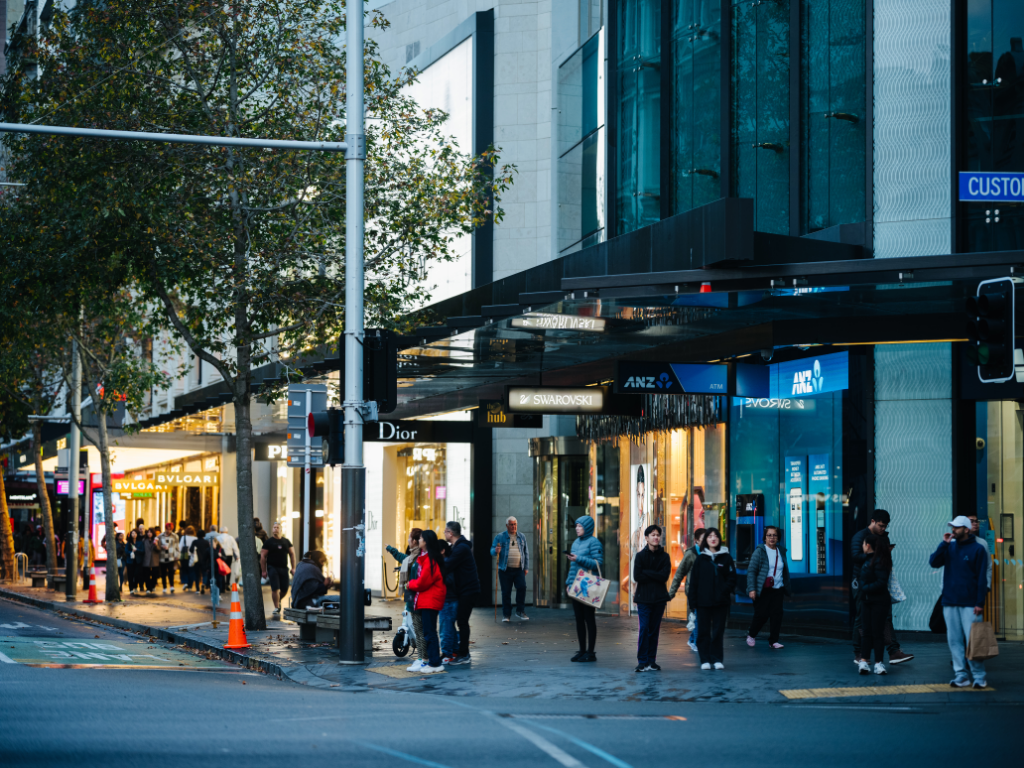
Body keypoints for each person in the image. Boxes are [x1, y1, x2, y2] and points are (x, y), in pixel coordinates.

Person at [929, 515, 990, 689]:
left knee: (974, 640)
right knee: (954, 639)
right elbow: (933, 562)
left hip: (970, 603)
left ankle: (979, 675)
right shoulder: (949, 547)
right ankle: (961, 675)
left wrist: (980, 602)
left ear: (966, 529)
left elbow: (981, 578)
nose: (953, 530)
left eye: (956, 527)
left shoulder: (978, 549)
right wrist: (944, 544)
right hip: (949, 601)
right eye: (952, 527)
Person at [851, 509, 913, 665]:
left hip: (880, 581)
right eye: (880, 525)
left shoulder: (884, 538)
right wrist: (878, 553)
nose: (883, 529)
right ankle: (859, 654)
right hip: (862, 582)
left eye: (885, 526)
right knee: (861, 618)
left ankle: (893, 652)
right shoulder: (860, 536)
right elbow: (855, 556)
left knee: (885, 617)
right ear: (872, 521)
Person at [687, 527, 736, 670]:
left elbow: (732, 578)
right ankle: (705, 660)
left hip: (721, 602)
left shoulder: (726, 558)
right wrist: (693, 603)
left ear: (719, 539)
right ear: (706, 540)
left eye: (715, 536)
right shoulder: (701, 559)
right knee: (703, 631)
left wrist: (723, 590)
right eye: (710, 536)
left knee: (718, 631)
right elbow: (693, 582)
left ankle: (717, 659)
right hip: (703, 602)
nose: (713, 538)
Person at [406, 529, 447, 674]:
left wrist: (409, 584)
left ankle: (435, 663)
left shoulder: (430, 560)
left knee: (429, 633)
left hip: (430, 600)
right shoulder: (427, 558)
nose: (419, 540)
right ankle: (432, 662)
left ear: (426, 542)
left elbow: (423, 582)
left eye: (421, 538)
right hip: (427, 600)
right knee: (428, 632)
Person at [745, 526, 791, 650]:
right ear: (764, 537)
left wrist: (786, 585)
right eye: (769, 535)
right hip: (763, 588)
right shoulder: (760, 551)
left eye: (774, 535)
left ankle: (773, 641)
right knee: (762, 614)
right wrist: (752, 589)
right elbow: (751, 571)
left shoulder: (781, 551)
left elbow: (784, 570)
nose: (772, 538)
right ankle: (751, 634)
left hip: (778, 588)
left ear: (778, 537)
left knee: (777, 615)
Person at [633, 524, 671, 672]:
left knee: (654, 630)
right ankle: (642, 661)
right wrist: (655, 574)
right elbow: (637, 576)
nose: (656, 537)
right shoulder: (640, 556)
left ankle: (651, 660)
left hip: (659, 598)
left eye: (658, 535)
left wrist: (647, 573)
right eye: (653, 535)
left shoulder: (665, 556)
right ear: (647, 538)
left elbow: (664, 576)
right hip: (643, 598)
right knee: (644, 629)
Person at [443, 521, 480, 665]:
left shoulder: (461, 548)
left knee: (462, 621)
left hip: (468, 591)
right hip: (465, 590)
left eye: (445, 531)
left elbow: (448, 565)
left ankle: (464, 654)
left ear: (450, 533)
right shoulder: (457, 547)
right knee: (461, 621)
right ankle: (460, 651)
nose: (444, 534)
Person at [386, 529, 425, 669]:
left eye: (409, 538)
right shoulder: (413, 556)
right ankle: (420, 654)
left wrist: (392, 550)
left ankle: (422, 657)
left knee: (418, 625)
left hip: (415, 593)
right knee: (409, 615)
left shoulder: (419, 556)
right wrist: (391, 550)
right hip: (410, 592)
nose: (408, 540)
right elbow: (404, 559)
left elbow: (406, 561)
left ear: (415, 541)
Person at [567, 515, 603, 663]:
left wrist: (578, 559)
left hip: (588, 586)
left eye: (580, 526)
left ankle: (591, 652)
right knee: (579, 620)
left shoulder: (594, 542)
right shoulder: (575, 542)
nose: (577, 528)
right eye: (576, 526)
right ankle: (582, 650)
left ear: (587, 528)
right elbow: (573, 567)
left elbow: (598, 563)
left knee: (589, 619)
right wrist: (568, 583)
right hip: (575, 585)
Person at [857, 532, 893, 675]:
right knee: (867, 632)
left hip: (878, 601)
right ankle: (864, 661)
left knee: (877, 633)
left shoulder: (879, 560)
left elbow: (881, 581)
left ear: (868, 545)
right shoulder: (868, 559)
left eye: (863, 544)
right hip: (867, 601)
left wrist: (864, 588)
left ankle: (878, 663)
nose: (862, 546)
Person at [668, 527, 705, 652]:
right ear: (696, 541)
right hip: (693, 592)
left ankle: (693, 639)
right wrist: (672, 593)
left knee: (701, 618)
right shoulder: (690, 554)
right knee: (698, 617)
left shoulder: (710, 553)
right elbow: (679, 573)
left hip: (707, 592)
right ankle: (696, 642)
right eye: (703, 539)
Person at [490, 516, 530, 622]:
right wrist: (495, 550)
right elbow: (492, 550)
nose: (513, 526)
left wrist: (526, 567)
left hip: (518, 569)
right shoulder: (500, 537)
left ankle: (520, 610)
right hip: (505, 569)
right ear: (507, 526)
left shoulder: (522, 536)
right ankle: (506, 614)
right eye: (511, 524)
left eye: (515, 524)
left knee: (522, 587)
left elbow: (526, 553)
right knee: (506, 592)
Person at [260, 522, 295, 618]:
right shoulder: (269, 542)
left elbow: (292, 554)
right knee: (275, 588)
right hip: (272, 567)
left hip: (284, 568)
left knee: (284, 589)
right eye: (274, 527)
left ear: (281, 529)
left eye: (277, 527)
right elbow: (263, 556)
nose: (275, 529)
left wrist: (293, 568)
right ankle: (276, 607)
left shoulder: (286, 541)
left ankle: (278, 600)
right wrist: (264, 570)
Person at [438, 539, 460, 663]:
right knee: (449, 626)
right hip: (450, 599)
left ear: (442, 551)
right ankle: (454, 651)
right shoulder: (447, 562)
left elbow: (449, 581)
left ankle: (447, 653)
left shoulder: (445, 563)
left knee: (445, 627)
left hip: (448, 599)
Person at [967, 514, 993, 590]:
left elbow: (988, 565)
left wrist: (987, 585)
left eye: (976, 521)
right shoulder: (955, 543)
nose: (975, 523)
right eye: (971, 521)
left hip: (978, 586)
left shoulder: (983, 543)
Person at [158, 523, 179, 595]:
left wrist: (177, 555)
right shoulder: (160, 536)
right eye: (167, 528)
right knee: (163, 573)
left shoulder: (175, 536)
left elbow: (177, 546)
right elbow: (157, 545)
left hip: (171, 557)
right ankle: (164, 587)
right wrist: (161, 546)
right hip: (162, 557)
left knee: (171, 572)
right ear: (165, 528)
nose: (169, 530)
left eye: (170, 529)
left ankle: (171, 586)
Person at [189, 530, 212, 595]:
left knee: (197, 575)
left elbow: (191, 550)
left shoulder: (195, 542)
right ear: (203, 535)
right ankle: (203, 584)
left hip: (196, 561)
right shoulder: (206, 542)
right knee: (204, 574)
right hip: (204, 561)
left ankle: (197, 589)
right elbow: (209, 551)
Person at [124, 529, 143, 595]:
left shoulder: (139, 542)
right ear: (130, 535)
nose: (134, 534)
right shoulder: (128, 543)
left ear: (137, 534)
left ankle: (135, 586)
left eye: (135, 533)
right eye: (132, 533)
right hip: (130, 561)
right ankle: (131, 588)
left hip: (137, 561)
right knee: (130, 575)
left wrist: (136, 550)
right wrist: (131, 552)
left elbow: (142, 550)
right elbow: (126, 551)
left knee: (137, 574)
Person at [179, 526, 198, 591]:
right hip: (192, 556)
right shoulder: (195, 538)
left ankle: (185, 582)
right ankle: (190, 586)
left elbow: (180, 547)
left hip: (185, 555)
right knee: (191, 570)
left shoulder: (183, 537)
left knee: (184, 569)